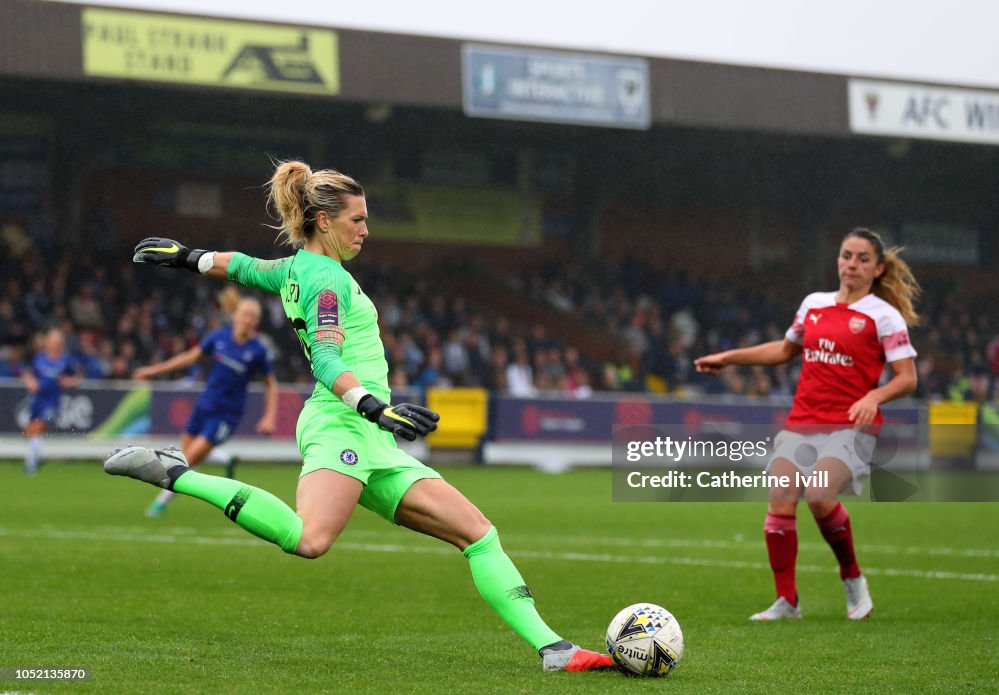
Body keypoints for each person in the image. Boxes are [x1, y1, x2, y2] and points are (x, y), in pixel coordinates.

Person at [104, 160, 612, 672]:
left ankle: (555, 650)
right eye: (357, 219)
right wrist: (373, 405)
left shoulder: (295, 267)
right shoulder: (326, 279)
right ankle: (176, 473)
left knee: (477, 534)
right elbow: (325, 359)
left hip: (370, 435)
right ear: (325, 221)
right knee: (310, 539)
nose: (366, 230)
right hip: (341, 422)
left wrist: (189, 257)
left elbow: (241, 266)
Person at [695, 228, 919, 621]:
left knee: (818, 495)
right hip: (803, 421)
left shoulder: (884, 316)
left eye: (862, 259)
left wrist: (873, 396)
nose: (852, 264)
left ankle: (853, 580)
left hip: (851, 424)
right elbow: (784, 350)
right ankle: (787, 602)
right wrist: (729, 357)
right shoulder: (814, 304)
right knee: (779, 503)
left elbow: (907, 377)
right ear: (837, 259)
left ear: (878, 268)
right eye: (846, 255)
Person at [133, 290, 278, 517]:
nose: (247, 319)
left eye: (252, 316)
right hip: (204, 406)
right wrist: (152, 371)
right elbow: (188, 357)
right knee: (185, 457)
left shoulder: (258, 351)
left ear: (256, 322)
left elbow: (271, 383)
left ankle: (160, 503)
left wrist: (269, 416)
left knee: (187, 461)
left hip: (226, 415)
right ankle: (224, 458)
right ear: (236, 315)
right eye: (244, 314)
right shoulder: (218, 337)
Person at [22, 327, 82, 475]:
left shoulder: (65, 360)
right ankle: (36, 457)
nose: (55, 344)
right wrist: (30, 382)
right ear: (48, 342)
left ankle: (31, 465)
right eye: (53, 341)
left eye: (58, 341)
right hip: (37, 399)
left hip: (53, 400)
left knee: (38, 426)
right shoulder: (39, 358)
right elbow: (28, 374)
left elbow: (78, 376)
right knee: (30, 431)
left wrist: (69, 381)